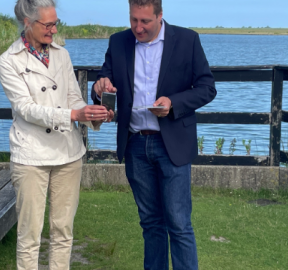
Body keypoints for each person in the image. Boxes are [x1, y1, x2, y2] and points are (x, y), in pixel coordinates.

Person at [91, 0, 216, 269]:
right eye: (133, 20)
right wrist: (99, 88)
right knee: (150, 223)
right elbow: (103, 85)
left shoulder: (187, 39)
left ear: (160, 16)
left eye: (145, 21)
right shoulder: (118, 42)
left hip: (172, 144)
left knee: (179, 224)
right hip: (135, 143)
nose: (138, 27)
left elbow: (207, 88)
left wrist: (173, 103)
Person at [0, 0, 114, 269]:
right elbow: (26, 109)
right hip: (31, 155)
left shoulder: (62, 55)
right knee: (29, 236)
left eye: (55, 23)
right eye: (47, 24)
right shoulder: (8, 61)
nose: (52, 30)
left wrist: (91, 113)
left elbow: (73, 97)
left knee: (63, 232)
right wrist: (73, 116)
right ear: (28, 23)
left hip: (68, 153)